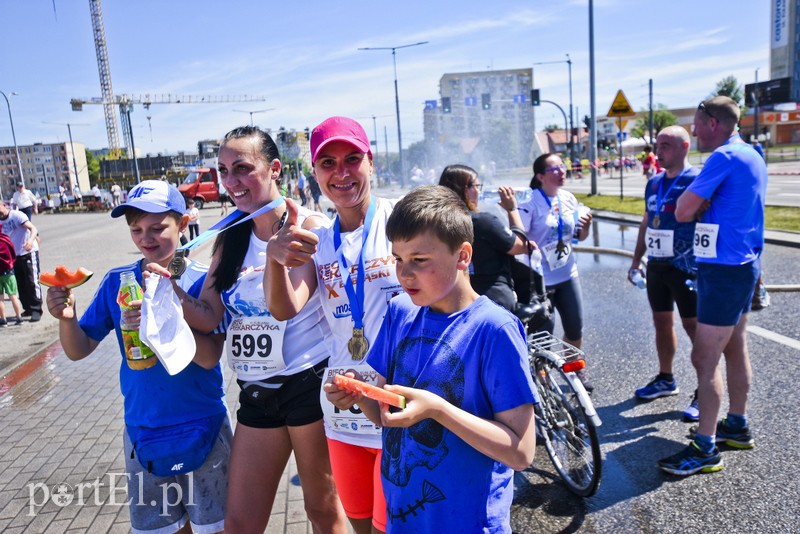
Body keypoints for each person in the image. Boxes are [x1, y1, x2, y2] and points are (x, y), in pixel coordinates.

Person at [150, 126, 348, 533]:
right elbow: (208, 313)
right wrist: (168, 291)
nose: (231, 182)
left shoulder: (306, 225)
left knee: (323, 511)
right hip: (256, 391)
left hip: (309, 384)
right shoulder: (230, 234)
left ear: (274, 169)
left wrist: (275, 258)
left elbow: (285, 308)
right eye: (224, 171)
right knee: (240, 522)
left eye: (242, 168)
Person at [326, 185, 538, 532]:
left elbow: (521, 452)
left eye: (419, 261)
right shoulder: (400, 312)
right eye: (397, 259)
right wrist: (359, 394)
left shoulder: (495, 330)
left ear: (462, 256)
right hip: (406, 518)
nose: (404, 274)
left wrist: (438, 409)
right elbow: (386, 415)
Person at [44, 179, 230, 533]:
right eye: (136, 229)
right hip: (144, 430)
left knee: (215, 527)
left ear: (184, 224)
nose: (147, 238)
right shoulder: (118, 282)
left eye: (158, 227)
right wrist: (67, 319)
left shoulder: (201, 282)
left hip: (203, 425)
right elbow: (79, 349)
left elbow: (208, 358)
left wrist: (160, 320)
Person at [267, 116, 403, 534]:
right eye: (328, 163)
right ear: (314, 172)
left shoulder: (402, 221)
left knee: (393, 526)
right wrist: (275, 257)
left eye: (351, 159)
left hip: (398, 400)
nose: (341, 173)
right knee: (360, 524)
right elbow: (285, 307)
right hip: (343, 405)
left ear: (370, 161)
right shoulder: (320, 241)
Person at [658, 96, 767, 476]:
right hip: (745, 264)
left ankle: (704, 448)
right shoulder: (753, 154)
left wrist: (700, 205)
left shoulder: (723, 157)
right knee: (735, 348)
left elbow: (683, 210)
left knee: (704, 359)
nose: (694, 131)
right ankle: (735, 425)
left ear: (715, 124)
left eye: (698, 124)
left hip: (722, 270)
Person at [629, 126, 700, 420]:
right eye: (658, 145)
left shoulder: (696, 180)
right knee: (661, 324)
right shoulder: (654, 182)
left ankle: (705, 390)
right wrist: (636, 260)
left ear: (685, 146)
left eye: (667, 145)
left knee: (697, 331)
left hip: (686, 266)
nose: (659, 151)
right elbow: (647, 222)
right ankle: (666, 378)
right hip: (657, 265)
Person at [517, 153, 593, 385]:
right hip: (541, 280)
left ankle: (573, 370)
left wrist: (587, 226)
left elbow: (579, 236)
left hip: (567, 274)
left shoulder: (568, 198)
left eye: (563, 166)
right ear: (540, 176)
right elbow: (518, 240)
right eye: (555, 169)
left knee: (575, 329)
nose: (562, 172)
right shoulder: (530, 203)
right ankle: (544, 382)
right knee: (543, 336)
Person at [437, 164, 531, 312]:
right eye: (475, 185)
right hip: (494, 298)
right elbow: (521, 246)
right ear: (464, 189)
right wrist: (512, 209)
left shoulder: (437, 223)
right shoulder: (483, 222)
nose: (478, 191)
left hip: (456, 299)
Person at [0, 201, 42, 322]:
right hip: (14, 256)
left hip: (28, 252)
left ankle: (36, 309)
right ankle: (27, 308)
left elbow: (33, 228)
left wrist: (30, 241)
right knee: (20, 283)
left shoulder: (17, 215)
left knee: (32, 280)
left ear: (3, 204)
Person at [0, 231, 24, 326]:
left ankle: (3, 320)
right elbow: (12, 254)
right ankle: (19, 317)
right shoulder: (5, 239)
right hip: (9, 272)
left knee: (0, 299)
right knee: (13, 296)